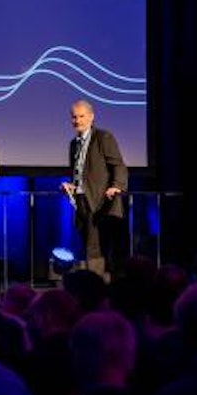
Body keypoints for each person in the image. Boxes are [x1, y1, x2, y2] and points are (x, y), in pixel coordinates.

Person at [59, 98, 128, 276]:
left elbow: (118, 165)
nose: (77, 121)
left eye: (81, 116)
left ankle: (98, 287)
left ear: (91, 117)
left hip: (100, 202)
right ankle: (89, 284)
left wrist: (117, 186)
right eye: (74, 117)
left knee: (97, 251)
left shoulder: (103, 137)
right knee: (85, 249)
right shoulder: (74, 144)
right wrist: (71, 186)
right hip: (81, 202)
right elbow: (80, 173)